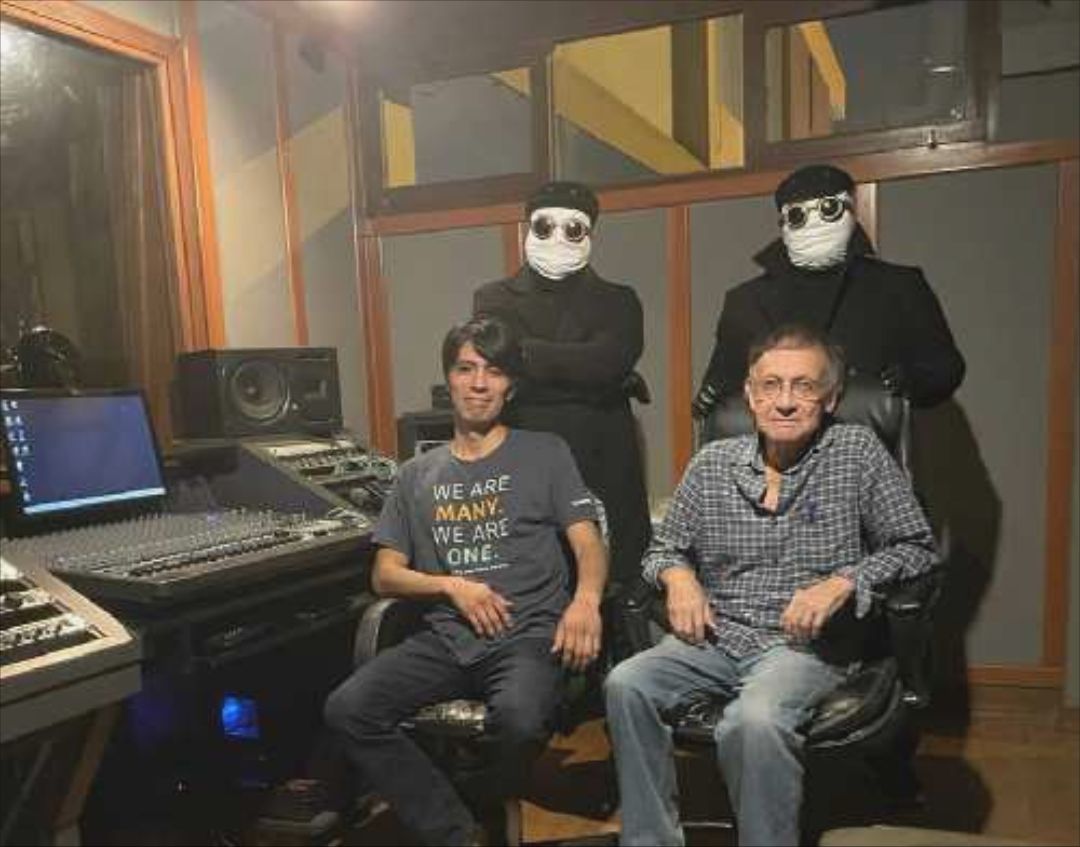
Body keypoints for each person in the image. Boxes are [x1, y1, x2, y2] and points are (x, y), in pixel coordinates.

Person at [605, 324, 938, 846]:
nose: (784, 401)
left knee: (754, 719)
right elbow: (661, 550)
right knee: (627, 683)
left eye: (803, 386)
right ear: (750, 395)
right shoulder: (712, 464)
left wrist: (844, 581)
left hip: (805, 646)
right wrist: (679, 576)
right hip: (716, 637)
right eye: (771, 385)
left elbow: (917, 548)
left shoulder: (857, 452)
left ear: (831, 398)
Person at [323, 315, 607, 846]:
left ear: (510, 385)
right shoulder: (415, 475)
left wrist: (586, 601)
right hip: (445, 639)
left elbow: (588, 542)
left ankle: (478, 796)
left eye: (494, 372)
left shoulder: (545, 452)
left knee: (519, 719)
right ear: (448, 379)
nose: (479, 384)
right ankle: (458, 832)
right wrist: (451, 586)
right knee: (349, 710)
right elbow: (385, 575)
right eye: (466, 369)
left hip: (528, 635)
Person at [473, 181, 650, 596]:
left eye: (572, 229)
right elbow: (504, 357)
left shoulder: (620, 299)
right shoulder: (493, 297)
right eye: (544, 226)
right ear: (527, 228)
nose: (557, 237)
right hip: (526, 450)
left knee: (615, 577)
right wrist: (595, 376)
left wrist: (534, 359)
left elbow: (613, 359)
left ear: (588, 233)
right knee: (529, 574)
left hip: (604, 454)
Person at [692, 163, 965, 419]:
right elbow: (722, 383)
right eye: (798, 215)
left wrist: (909, 381)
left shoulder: (898, 287)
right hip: (776, 445)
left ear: (850, 211)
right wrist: (715, 395)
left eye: (828, 209)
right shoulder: (747, 301)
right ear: (784, 223)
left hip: (866, 442)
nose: (814, 223)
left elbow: (945, 368)